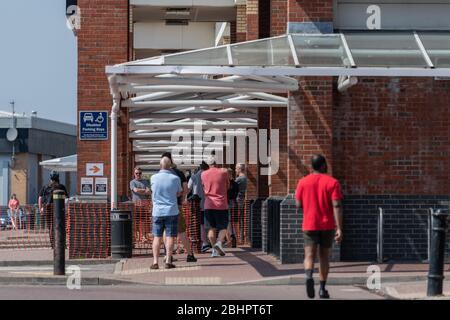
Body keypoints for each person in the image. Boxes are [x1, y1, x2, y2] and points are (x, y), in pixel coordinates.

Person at [295, 155, 343, 299]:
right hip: (327, 225)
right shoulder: (332, 182)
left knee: (309, 255)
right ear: (323, 166)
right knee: (324, 257)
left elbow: (298, 204)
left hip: (309, 224)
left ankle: (309, 276)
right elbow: (336, 205)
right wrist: (339, 228)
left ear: (312, 166)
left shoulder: (303, 182)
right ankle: (322, 289)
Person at [161, 152, 197, 263]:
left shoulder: (158, 174)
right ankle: (190, 255)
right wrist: (182, 198)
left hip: (161, 207)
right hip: (176, 206)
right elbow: (185, 189)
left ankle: (168, 255)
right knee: (181, 231)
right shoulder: (179, 173)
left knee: (165, 231)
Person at [150, 157, 183, 269]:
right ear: (170, 166)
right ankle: (168, 260)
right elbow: (179, 193)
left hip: (157, 211)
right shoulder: (175, 178)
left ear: (160, 165)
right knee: (170, 237)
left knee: (157, 237)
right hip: (171, 211)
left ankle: (155, 262)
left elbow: (152, 191)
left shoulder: (153, 178)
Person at [201, 155, 229, 257]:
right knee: (223, 227)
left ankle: (214, 250)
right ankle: (219, 243)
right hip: (221, 204)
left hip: (208, 204)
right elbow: (228, 186)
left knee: (210, 228)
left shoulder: (203, 174)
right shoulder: (223, 172)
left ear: (208, 164)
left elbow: (203, 186)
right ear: (216, 163)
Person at [187, 161, 211, 252]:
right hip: (209, 203)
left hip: (197, 204)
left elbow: (188, 188)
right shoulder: (208, 176)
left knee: (199, 224)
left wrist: (186, 198)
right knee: (208, 223)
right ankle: (207, 241)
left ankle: (204, 242)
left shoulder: (194, 176)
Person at [226, 168, 239, 248]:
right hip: (233, 202)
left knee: (228, 222)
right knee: (233, 221)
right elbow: (236, 193)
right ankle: (233, 237)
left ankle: (230, 239)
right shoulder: (235, 183)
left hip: (227, 203)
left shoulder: (226, 183)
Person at [235, 163, 248, 243]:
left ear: (240, 169)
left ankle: (240, 238)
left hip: (238, 200)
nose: (236, 170)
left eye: (236, 169)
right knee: (241, 219)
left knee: (238, 219)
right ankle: (241, 237)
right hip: (242, 199)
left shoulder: (240, 179)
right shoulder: (245, 178)